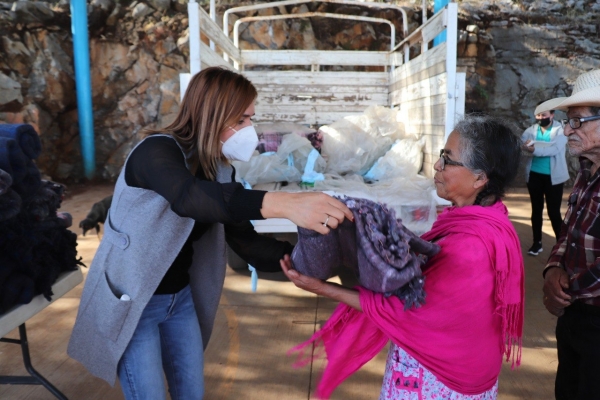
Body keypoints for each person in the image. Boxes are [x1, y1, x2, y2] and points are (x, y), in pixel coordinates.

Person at [67, 66, 353, 400]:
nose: (251, 129)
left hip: (180, 301)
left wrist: (303, 262)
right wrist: (285, 204)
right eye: (242, 119)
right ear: (214, 115)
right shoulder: (156, 152)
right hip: (135, 303)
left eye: (250, 119)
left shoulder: (219, 169)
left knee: (191, 392)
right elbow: (191, 199)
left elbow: (242, 237)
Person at [281, 115, 525, 399]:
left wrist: (323, 288)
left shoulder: (469, 246)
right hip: (467, 367)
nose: (436, 165)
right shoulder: (488, 218)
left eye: (448, 159)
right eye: (440, 156)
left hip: (441, 380)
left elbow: (404, 310)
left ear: (480, 178)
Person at [541, 69, 600, 400]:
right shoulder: (587, 170)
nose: (566, 130)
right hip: (576, 314)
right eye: (567, 120)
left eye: (577, 121)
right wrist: (553, 269)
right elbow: (569, 230)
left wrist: (563, 292)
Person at [521, 101, 569, 256]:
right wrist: (525, 146)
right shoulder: (530, 130)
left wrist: (534, 150)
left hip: (553, 178)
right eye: (539, 115)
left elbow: (554, 150)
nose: (541, 118)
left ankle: (561, 246)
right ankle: (537, 243)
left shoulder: (561, 131)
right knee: (536, 210)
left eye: (545, 115)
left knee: (554, 212)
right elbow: (522, 146)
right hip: (534, 175)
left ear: (552, 115)